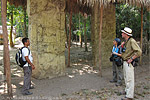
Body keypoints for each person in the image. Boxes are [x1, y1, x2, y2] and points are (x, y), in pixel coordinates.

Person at [120, 27, 142, 100]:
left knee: (129, 79)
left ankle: (129, 96)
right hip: (125, 61)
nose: (122, 34)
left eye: (123, 33)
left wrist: (132, 58)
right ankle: (127, 91)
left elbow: (139, 52)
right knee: (126, 78)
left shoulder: (132, 41)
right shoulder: (126, 41)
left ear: (126, 34)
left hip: (129, 62)